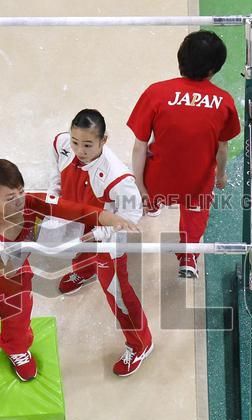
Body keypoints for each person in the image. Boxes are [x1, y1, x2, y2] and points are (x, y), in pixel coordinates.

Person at [0, 159, 139, 386]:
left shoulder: (31, 203)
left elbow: (77, 210)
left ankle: (16, 349)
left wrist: (113, 219)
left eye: (21, 191)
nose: (20, 200)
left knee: (19, 322)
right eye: (10, 198)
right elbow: (1, 273)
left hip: (17, 274)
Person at [127, 30, 241, 278]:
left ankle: (152, 205)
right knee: (195, 215)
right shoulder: (224, 102)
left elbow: (139, 146)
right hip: (196, 183)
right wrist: (221, 176)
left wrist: (141, 186)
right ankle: (188, 258)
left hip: (158, 180)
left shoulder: (155, 93)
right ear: (213, 69)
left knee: (149, 196)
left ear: (180, 61)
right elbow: (222, 147)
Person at [48, 109, 154, 376]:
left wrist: (100, 235)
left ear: (104, 140)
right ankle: (84, 272)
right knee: (78, 252)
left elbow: (130, 217)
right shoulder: (62, 144)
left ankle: (140, 343)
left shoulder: (118, 177)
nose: (79, 150)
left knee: (117, 292)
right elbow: (57, 172)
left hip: (108, 238)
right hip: (80, 220)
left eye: (87, 145)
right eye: (75, 142)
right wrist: (54, 194)